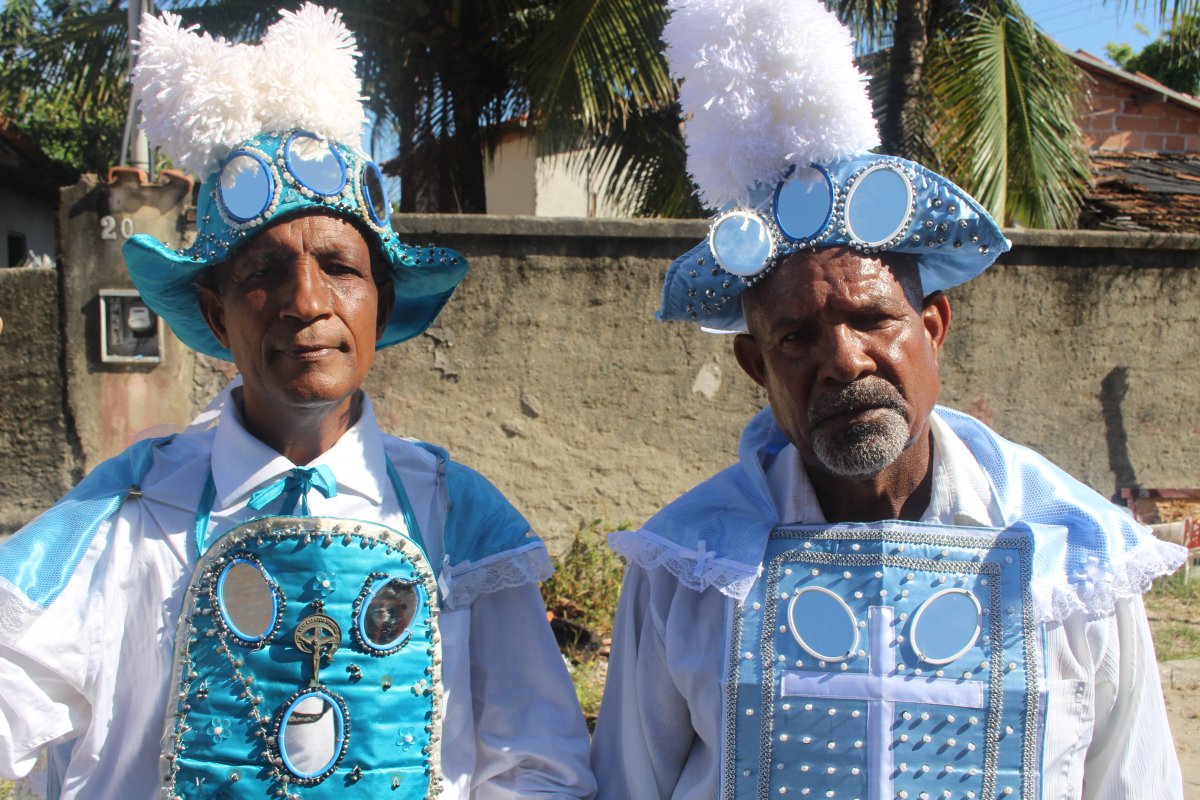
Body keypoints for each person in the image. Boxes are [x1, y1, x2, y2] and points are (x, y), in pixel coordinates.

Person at [590, 1, 1186, 798]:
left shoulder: (1073, 558)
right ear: (752, 364)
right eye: (795, 337)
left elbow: (1134, 783)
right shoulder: (689, 570)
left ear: (933, 325)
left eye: (874, 318)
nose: (843, 360)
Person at [0, 7, 594, 799]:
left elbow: (539, 766)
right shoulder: (124, 515)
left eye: (339, 267)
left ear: (379, 300)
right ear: (216, 315)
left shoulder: (462, 524)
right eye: (264, 273)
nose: (306, 301)